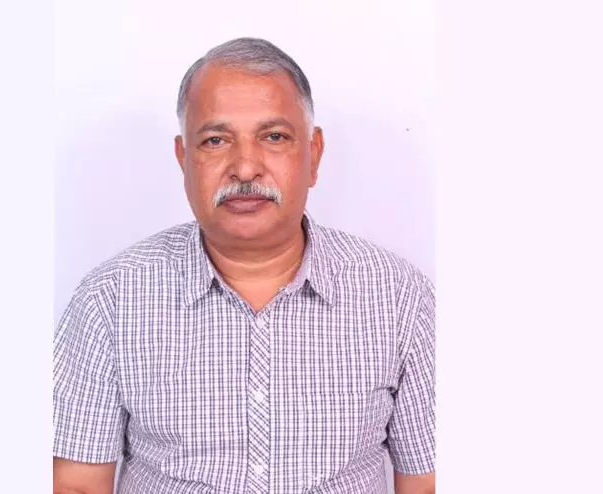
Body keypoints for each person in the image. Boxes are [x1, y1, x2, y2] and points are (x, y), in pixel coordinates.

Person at [53, 37, 435, 494]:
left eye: (274, 137)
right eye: (216, 140)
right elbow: (76, 485)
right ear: (183, 159)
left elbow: (428, 482)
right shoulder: (110, 300)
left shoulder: (399, 298)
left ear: (313, 154)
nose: (246, 168)